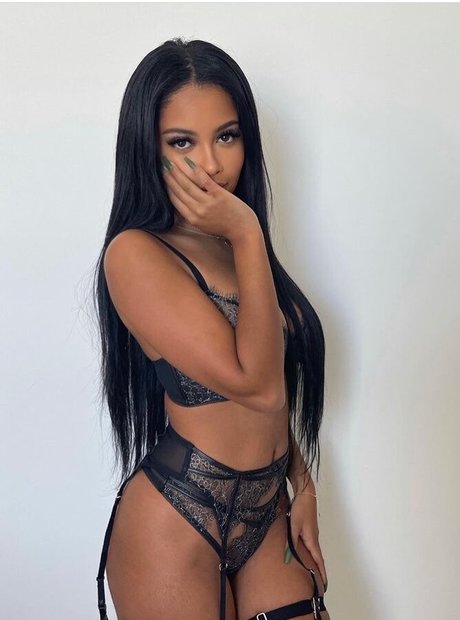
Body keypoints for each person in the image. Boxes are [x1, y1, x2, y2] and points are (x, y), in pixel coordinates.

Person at [93, 37, 330, 620]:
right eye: (182, 143)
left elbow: (273, 386)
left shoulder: (235, 244)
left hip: (268, 509)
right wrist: (247, 232)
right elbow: (259, 385)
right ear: (148, 149)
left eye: (227, 136)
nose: (213, 164)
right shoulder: (136, 254)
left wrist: (301, 483)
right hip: (178, 514)